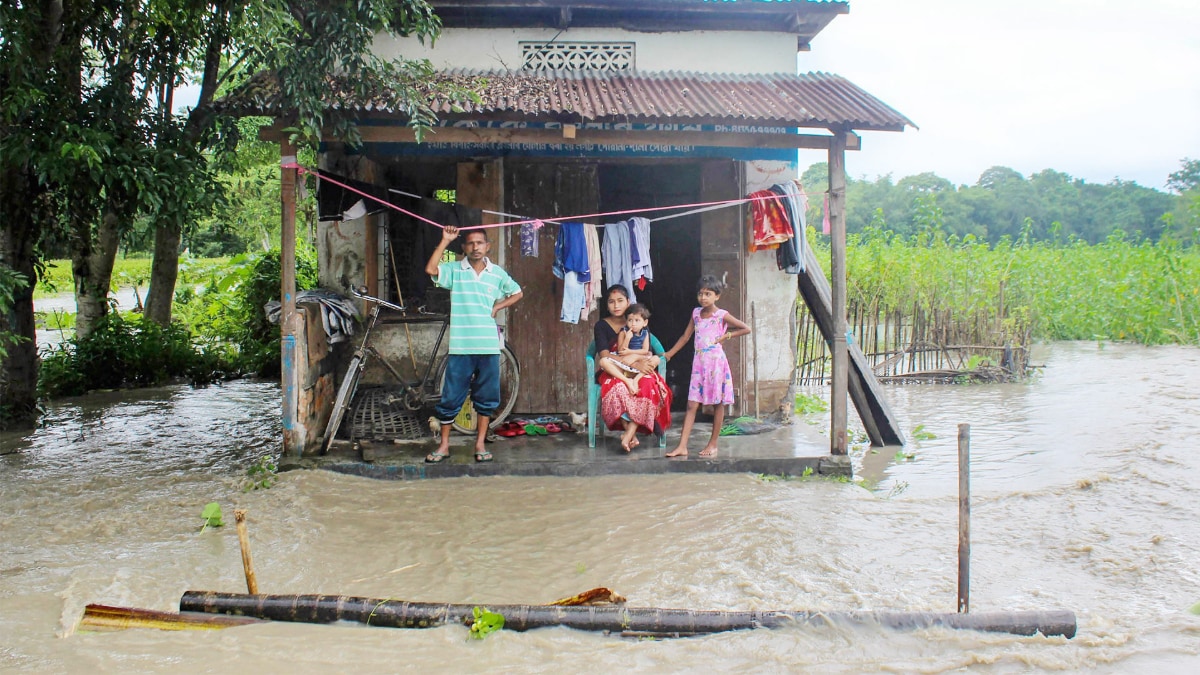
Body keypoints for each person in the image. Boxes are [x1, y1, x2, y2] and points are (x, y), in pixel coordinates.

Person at [424, 225, 523, 463]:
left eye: (480, 243)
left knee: (486, 398)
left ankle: (479, 444)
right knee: (451, 396)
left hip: (488, 346)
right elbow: (430, 269)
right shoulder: (455, 271)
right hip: (461, 346)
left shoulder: (497, 273)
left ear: (487, 246)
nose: (475, 247)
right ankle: (444, 445)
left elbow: (517, 292)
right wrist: (445, 240)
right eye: (470, 243)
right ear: (464, 248)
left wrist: (498, 306)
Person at [664, 275, 750, 458]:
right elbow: (685, 337)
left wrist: (726, 336)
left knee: (717, 404)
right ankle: (682, 446)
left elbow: (745, 328)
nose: (703, 298)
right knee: (691, 404)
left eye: (708, 294)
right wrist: (670, 353)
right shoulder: (696, 313)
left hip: (716, 363)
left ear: (717, 296)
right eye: (701, 294)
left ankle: (713, 444)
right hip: (699, 364)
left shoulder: (721, 315)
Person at [593, 287, 673, 452]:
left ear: (628, 302)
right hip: (614, 370)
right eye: (611, 302)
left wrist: (648, 359)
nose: (616, 305)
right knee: (617, 389)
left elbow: (650, 351)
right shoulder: (601, 326)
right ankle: (630, 431)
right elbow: (604, 354)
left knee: (648, 386)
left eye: (620, 301)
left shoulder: (638, 321)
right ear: (606, 305)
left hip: (638, 368)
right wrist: (631, 364)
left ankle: (630, 433)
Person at [599, 303, 654, 394]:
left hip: (639, 362)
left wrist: (631, 352)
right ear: (626, 321)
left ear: (645, 322)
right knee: (603, 361)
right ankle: (627, 380)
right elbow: (620, 351)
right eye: (630, 320)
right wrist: (627, 338)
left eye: (637, 320)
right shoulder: (623, 332)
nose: (633, 324)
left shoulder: (645, 333)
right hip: (624, 363)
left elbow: (645, 351)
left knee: (656, 359)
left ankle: (636, 379)